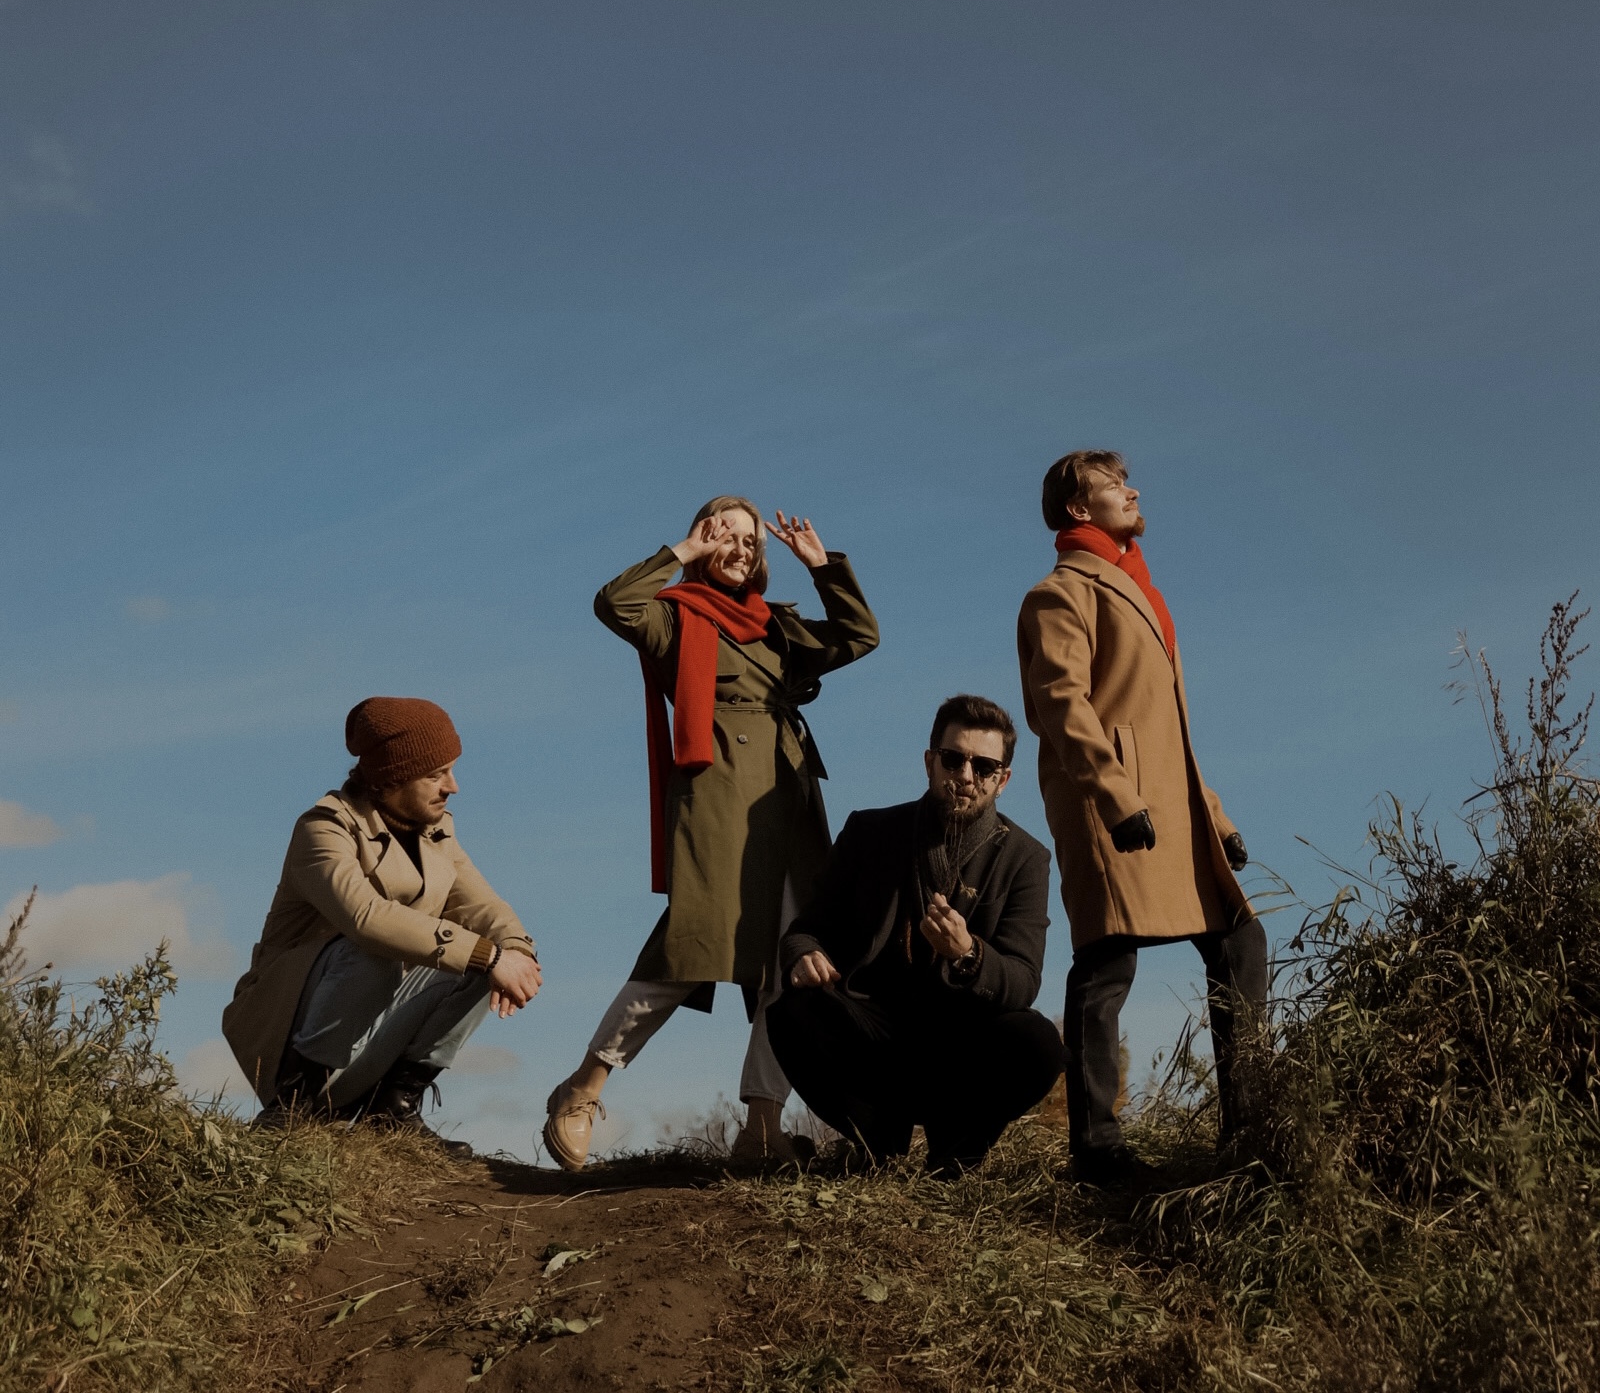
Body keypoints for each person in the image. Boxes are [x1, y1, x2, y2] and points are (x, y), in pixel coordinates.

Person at [542, 497, 878, 1172]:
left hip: (788, 800)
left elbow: (858, 635)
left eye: (750, 541)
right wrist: (680, 554)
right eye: (723, 534)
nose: (739, 548)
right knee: (689, 947)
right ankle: (585, 1086)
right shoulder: (674, 616)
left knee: (794, 958)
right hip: (718, 796)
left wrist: (823, 568)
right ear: (701, 539)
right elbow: (614, 604)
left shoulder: (776, 625)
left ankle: (761, 1127)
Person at [1017, 450, 1266, 1185]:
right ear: (1078, 508)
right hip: (1109, 801)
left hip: (1172, 807)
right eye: (1114, 485)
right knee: (1107, 957)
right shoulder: (1058, 593)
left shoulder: (1142, 589)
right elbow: (1060, 704)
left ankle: (1249, 1130)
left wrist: (1215, 816)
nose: (1132, 492)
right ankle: (1096, 1149)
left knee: (1241, 941)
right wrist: (1115, 797)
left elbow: (1171, 733)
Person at [223, 697, 542, 1155]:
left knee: (486, 959)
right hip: (285, 1031)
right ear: (393, 776)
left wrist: (516, 952)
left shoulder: (436, 832)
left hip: (369, 1025)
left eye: (451, 770)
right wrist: (488, 956)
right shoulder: (323, 829)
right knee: (386, 951)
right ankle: (293, 1106)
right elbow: (366, 918)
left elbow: (483, 906)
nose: (453, 786)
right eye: (436, 774)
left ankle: (391, 1108)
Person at [766, 695, 1061, 1177]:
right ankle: (876, 1145)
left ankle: (954, 1158)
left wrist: (969, 954)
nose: (966, 775)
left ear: (1003, 779)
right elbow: (809, 928)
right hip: (874, 1031)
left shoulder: (1027, 858)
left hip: (963, 1045)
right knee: (792, 1011)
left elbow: (1023, 980)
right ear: (930, 762)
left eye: (984, 766)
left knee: (1039, 1044)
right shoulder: (869, 831)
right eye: (953, 759)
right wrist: (804, 954)